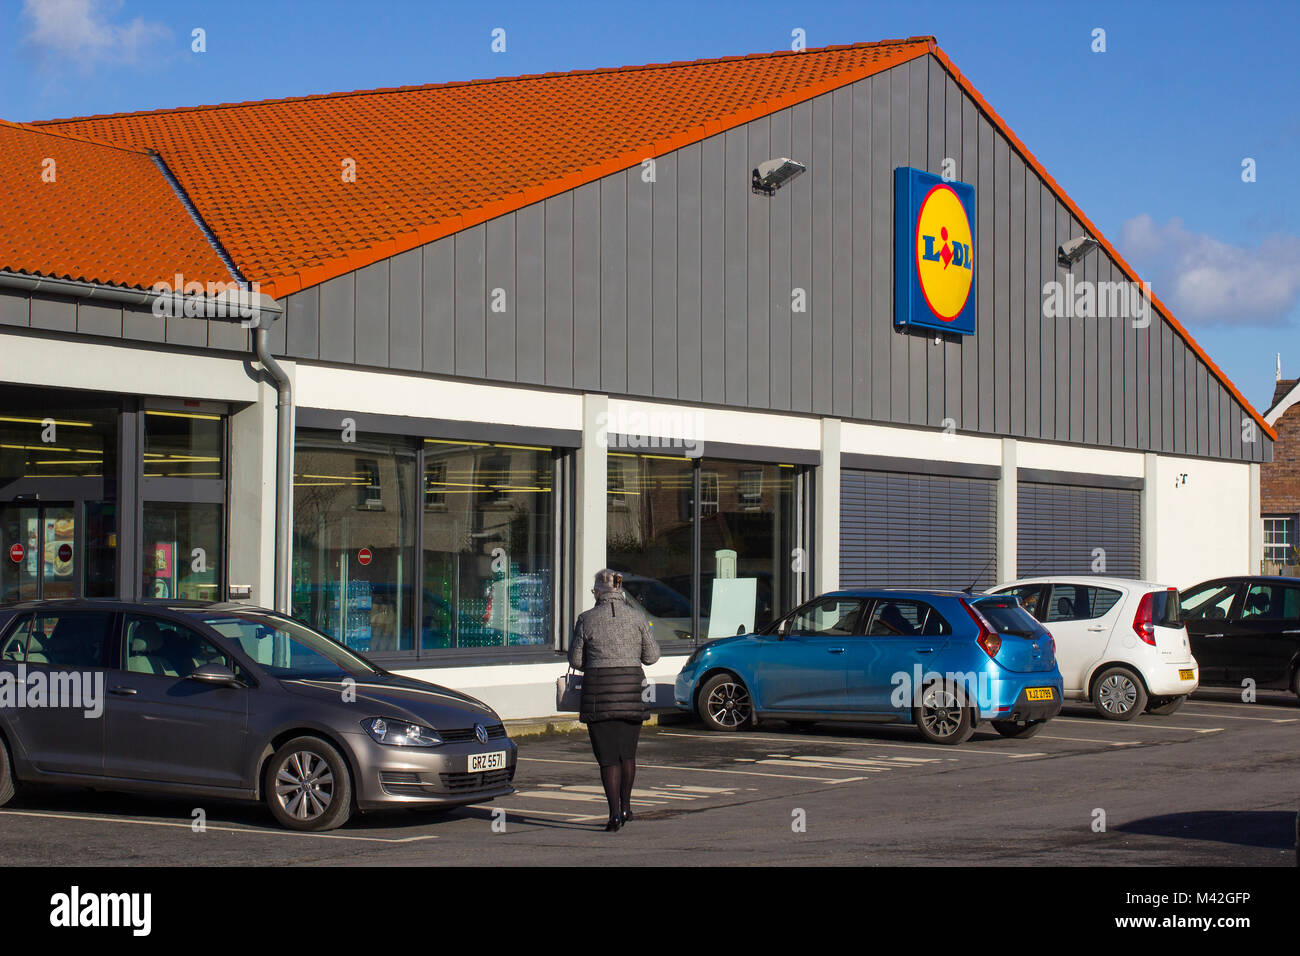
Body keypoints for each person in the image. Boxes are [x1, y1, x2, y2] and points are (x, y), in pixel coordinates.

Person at [568, 568, 660, 831]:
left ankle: (613, 815)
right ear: (620, 591)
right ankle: (627, 806)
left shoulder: (586, 619)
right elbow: (652, 656)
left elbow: (575, 660)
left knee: (608, 759)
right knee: (627, 755)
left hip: (599, 694)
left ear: (599, 592)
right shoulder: (638, 618)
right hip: (632, 692)